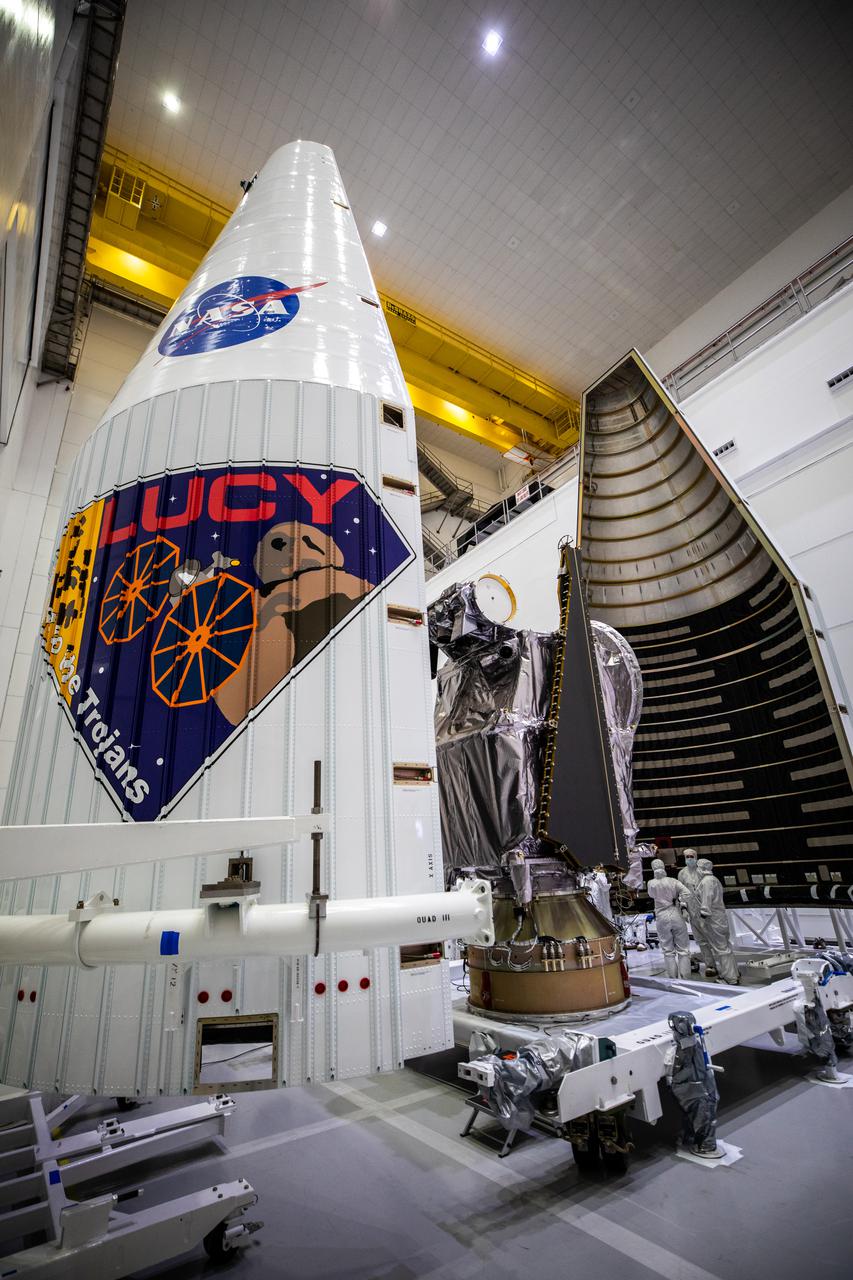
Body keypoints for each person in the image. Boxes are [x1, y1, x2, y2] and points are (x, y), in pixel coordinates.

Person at [695, 858, 740, 984]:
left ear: (701, 868)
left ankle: (729, 978)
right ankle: (734, 973)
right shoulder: (714, 880)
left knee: (721, 949)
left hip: (713, 919)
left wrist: (702, 919)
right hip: (720, 918)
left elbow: (706, 901)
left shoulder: (706, 882)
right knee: (726, 947)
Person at [647, 859, 690, 978]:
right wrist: (681, 903)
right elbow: (687, 893)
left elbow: (651, 895)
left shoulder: (651, 883)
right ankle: (687, 979)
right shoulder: (673, 881)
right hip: (675, 913)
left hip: (661, 916)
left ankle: (673, 980)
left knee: (668, 950)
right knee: (683, 950)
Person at [678, 849, 716, 976]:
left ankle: (725, 966)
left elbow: (709, 890)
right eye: (687, 857)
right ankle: (710, 966)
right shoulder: (682, 874)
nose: (689, 858)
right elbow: (681, 893)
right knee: (701, 941)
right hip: (692, 911)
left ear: (696, 857)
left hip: (706, 910)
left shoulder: (702, 872)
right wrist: (683, 909)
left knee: (714, 939)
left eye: (691, 856)